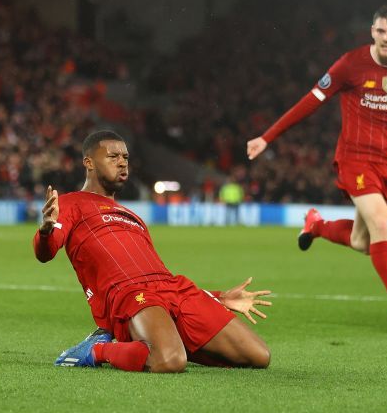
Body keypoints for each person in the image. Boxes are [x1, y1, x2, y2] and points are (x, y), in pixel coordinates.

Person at [245, 4, 387, 339]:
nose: (386, 38)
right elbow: (311, 99)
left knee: (363, 241)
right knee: (381, 223)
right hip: (355, 159)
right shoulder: (350, 64)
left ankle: (318, 225)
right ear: (372, 31)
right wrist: (268, 137)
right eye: (381, 30)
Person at [33, 130, 272, 372]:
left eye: (125, 157)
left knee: (259, 356)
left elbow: (155, 272)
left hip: (174, 288)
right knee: (168, 361)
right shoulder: (70, 203)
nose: (122, 162)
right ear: (89, 162)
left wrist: (219, 297)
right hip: (130, 293)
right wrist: (45, 231)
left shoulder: (133, 216)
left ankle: (165, 340)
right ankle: (95, 350)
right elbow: (46, 252)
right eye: (113, 156)